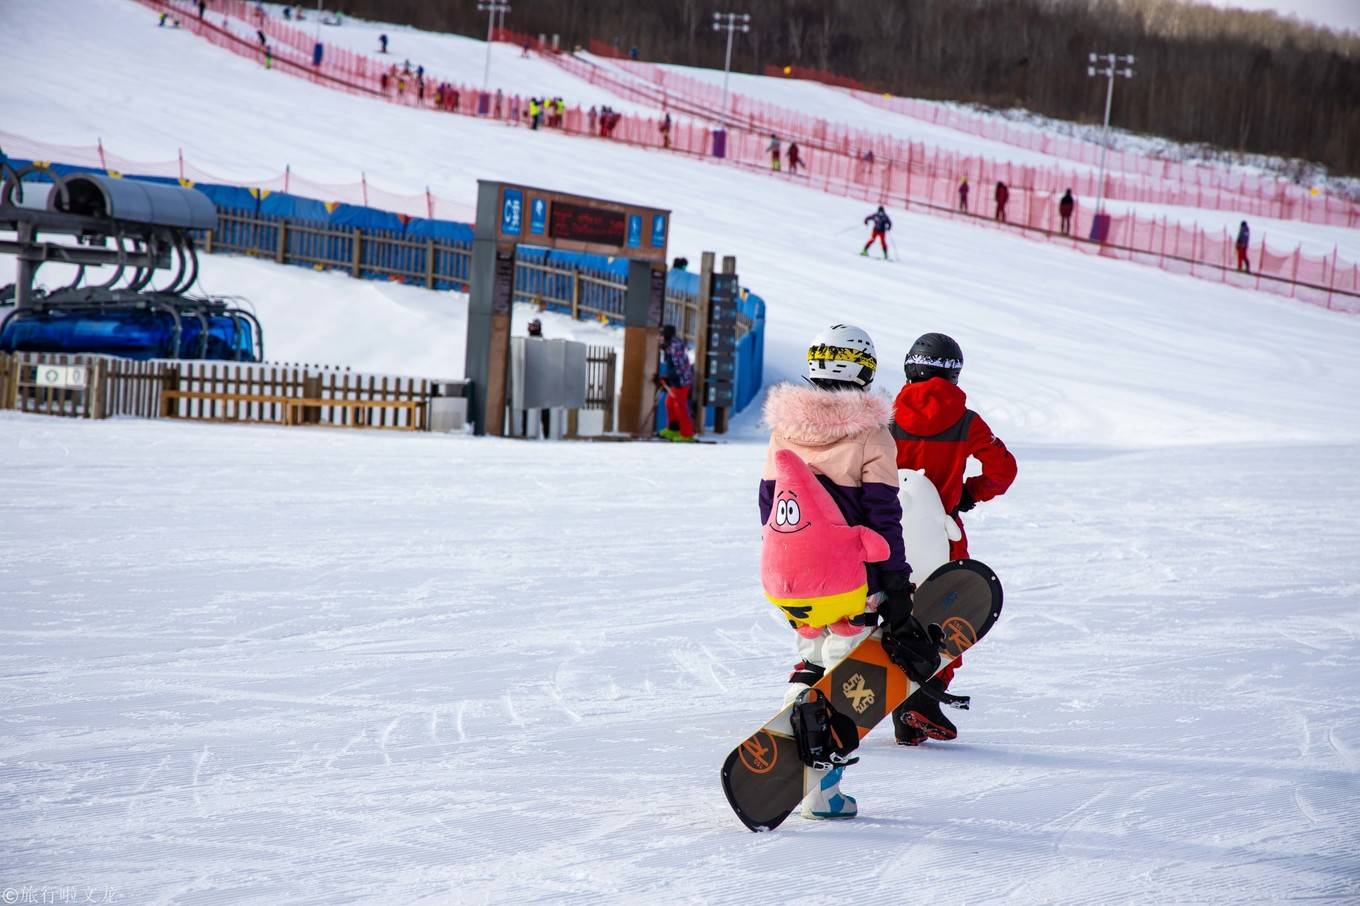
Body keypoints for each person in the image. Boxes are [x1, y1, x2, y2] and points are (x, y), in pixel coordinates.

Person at [759, 324, 913, 819]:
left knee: (809, 655)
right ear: (864, 372)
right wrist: (894, 581)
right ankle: (822, 789)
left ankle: (792, 714)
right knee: (846, 668)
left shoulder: (784, 428)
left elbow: (768, 504)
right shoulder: (872, 433)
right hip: (848, 583)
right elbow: (883, 514)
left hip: (788, 577)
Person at [888, 332, 1017, 746]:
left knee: (892, 609)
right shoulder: (967, 422)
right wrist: (969, 492)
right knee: (948, 616)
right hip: (942, 537)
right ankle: (922, 701)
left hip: (889, 534)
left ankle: (899, 700)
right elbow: (1004, 470)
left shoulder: (886, 417)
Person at [657, 324, 694, 441]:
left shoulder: (675, 346)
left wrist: (669, 378)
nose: (660, 338)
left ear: (667, 335)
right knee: (669, 402)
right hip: (676, 380)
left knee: (679, 406)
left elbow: (680, 367)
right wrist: (667, 378)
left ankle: (687, 434)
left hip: (681, 381)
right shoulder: (669, 346)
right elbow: (671, 366)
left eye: (662, 335)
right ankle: (673, 429)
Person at [523, 319, 552, 439]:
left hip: (541, 380)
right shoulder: (527, 342)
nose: (531, 329)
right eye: (530, 326)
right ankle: (525, 431)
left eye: (533, 327)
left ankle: (546, 433)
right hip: (530, 380)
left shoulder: (542, 342)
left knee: (544, 409)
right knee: (526, 408)